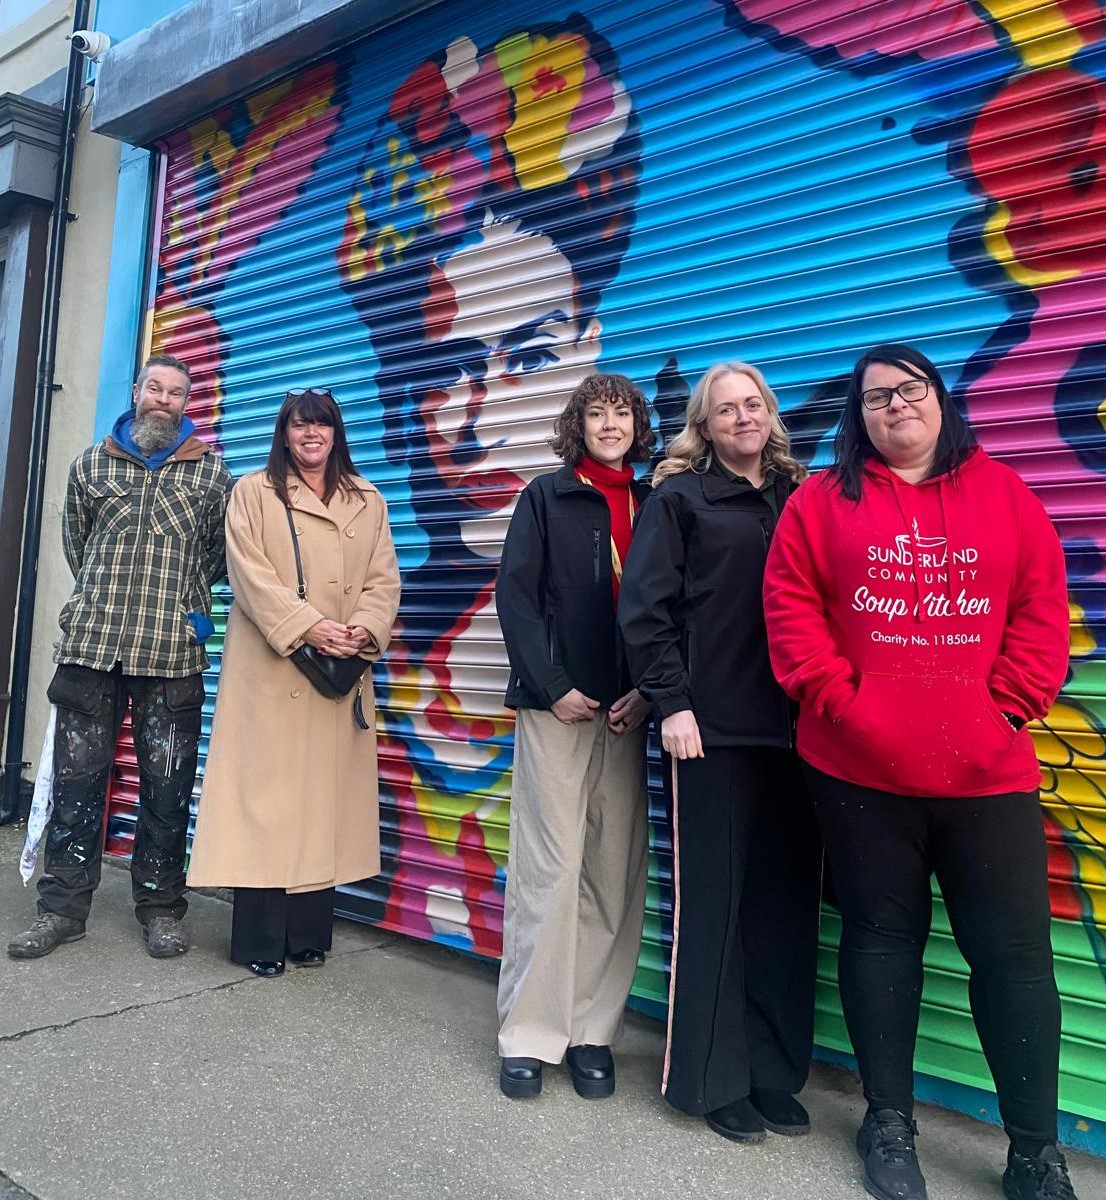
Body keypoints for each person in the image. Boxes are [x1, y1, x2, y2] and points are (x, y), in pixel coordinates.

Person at [335, 16, 643, 949]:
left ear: (592, 359)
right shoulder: (384, 669)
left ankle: (589, 1027)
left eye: (533, 350)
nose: (480, 421)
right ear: (394, 397)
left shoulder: (646, 505)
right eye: (441, 371)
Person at [763, 344, 1079, 1200]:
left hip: (988, 775)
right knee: (879, 941)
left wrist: (1005, 711)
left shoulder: (1005, 495)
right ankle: (888, 1123)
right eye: (876, 399)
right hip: (859, 773)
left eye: (910, 391)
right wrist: (845, 705)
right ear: (857, 418)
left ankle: (1033, 1153)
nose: (895, 407)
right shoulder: (820, 505)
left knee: (1014, 960)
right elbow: (791, 612)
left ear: (940, 400)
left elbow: (1041, 611)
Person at [618, 361, 821, 1143]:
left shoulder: (802, 497)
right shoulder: (681, 498)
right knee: (716, 910)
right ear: (703, 425)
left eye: (755, 404)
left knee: (783, 908)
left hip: (798, 734)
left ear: (771, 414)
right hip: (711, 731)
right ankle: (711, 1079)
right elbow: (645, 610)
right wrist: (672, 702)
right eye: (726, 409)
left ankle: (772, 1070)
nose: (744, 418)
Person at [8, 354, 233, 960]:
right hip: (92, 647)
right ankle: (61, 909)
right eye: (154, 388)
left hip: (169, 653)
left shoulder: (213, 476)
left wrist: (185, 605)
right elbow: (77, 545)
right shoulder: (90, 465)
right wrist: (107, 599)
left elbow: (217, 555)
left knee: (167, 785)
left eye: (176, 392)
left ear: (189, 402)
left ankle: (160, 909)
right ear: (136, 392)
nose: (163, 399)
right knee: (78, 785)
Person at [186, 388, 400, 977]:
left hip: (340, 671)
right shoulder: (253, 493)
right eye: (300, 426)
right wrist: (311, 627)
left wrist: (363, 630)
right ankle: (258, 941)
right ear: (284, 434)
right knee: (269, 805)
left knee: (322, 804)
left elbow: (384, 578)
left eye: (323, 426)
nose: (312, 436)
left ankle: (308, 935)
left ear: (336, 434)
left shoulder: (369, 499)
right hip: (274, 669)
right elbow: (249, 576)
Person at [494, 373, 653, 1099]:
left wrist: (649, 694)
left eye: (622, 413)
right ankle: (530, 1034)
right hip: (558, 708)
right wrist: (552, 686)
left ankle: (592, 1030)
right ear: (578, 425)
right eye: (598, 413)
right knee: (548, 874)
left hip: (627, 712)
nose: (611, 424)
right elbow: (516, 598)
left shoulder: (655, 502)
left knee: (611, 878)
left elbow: (672, 609)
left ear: (637, 425)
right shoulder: (545, 497)